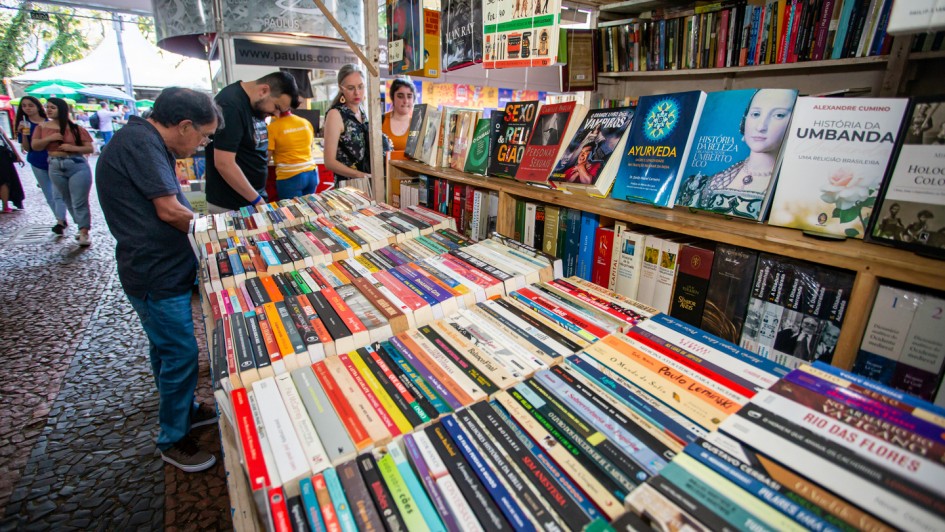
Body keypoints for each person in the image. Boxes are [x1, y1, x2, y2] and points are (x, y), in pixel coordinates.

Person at [96, 87, 223, 473]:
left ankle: (183, 408)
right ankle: (172, 439)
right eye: (203, 135)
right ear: (184, 125)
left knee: (165, 351)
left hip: (159, 269)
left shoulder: (143, 140)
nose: (203, 143)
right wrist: (217, 233)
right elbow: (169, 210)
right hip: (154, 273)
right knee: (180, 352)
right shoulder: (141, 143)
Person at [205, 71, 300, 213]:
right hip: (232, 204)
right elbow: (224, 163)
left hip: (252, 199)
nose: (276, 115)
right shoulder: (231, 104)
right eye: (277, 107)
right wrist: (257, 200)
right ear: (263, 91)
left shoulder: (256, 105)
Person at [698, 89, 796, 218]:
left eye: (778, 115)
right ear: (745, 120)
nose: (761, 126)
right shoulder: (710, 181)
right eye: (755, 114)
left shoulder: (793, 189)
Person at [31, 98, 94, 246]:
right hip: (54, 164)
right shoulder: (41, 127)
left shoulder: (75, 128)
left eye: (53, 107)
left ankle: (84, 231)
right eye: (48, 107)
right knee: (67, 198)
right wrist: (50, 138)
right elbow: (36, 146)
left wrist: (73, 148)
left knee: (79, 200)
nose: (49, 110)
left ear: (61, 109)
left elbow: (89, 148)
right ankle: (80, 226)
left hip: (76, 164)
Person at [16, 95, 68, 232]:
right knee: (48, 192)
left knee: (58, 191)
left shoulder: (49, 122)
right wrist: (24, 133)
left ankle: (61, 216)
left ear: (38, 106)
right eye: (24, 106)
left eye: (30, 105)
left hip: (54, 160)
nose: (27, 108)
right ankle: (60, 220)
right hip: (37, 161)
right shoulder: (24, 124)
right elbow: (27, 148)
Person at [324, 64, 376, 183]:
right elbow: (329, 162)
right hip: (348, 186)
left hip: (367, 182)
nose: (357, 93)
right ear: (341, 88)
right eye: (351, 88)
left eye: (360, 87)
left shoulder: (363, 112)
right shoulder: (336, 114)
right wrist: (360, 175)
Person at [267, 105, 318, 200]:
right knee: (309, 210)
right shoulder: (305, 122)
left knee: (292, 213)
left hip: (289, 177)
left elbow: (266, 158)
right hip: (311, 174)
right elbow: (310, 148)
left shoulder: (272, 128)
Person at [382, 78, 415, 160]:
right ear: (393, 97)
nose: (405, 101)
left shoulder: (417, 124)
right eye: (400, 96)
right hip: (384, 171)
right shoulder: (380, 120)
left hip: (409, 171)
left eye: (409, 96)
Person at [0, 126, 26, 213]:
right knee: (4, 180)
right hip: (2, 155)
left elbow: (8, 142)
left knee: (4, 180)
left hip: (2, 155)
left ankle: (5, 206)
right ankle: (5, 206)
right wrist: (17, 156)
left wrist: (17, 156)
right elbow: (8, 142)